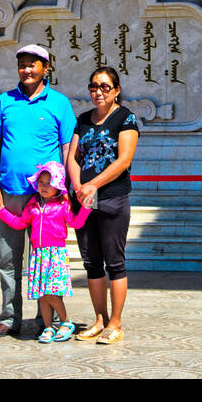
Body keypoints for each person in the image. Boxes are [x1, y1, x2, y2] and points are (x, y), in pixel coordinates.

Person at [0, 43, 76, 338]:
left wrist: (69, 188)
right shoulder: (4, 102)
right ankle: (10, 317)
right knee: (8, 259)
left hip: (46, 198)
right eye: (22, 64)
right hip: (9, 192)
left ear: (45, 69)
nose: (26, 69)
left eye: (32, 64)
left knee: (44, 260)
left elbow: (67, 147)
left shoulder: (59, 103)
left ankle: (44, 319)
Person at [67, 66, 139, 345]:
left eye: (105, 87)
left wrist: (94, 185)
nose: (98, 92)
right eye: (94, 86)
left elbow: (124, 161)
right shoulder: (83, 119)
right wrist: (78, 186)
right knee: (91, 263)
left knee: (115, 262)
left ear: (116, 90)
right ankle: (99, 319)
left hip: (112, 198)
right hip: (83, 201)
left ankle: (116, 323)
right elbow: (73, 157)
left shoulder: (125, 118)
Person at [0, 162, 92, 344]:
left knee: (51, 293)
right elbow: (19, 223)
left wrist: (86, 208)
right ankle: (48, 327)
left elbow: (75, 223)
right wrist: (2, 213)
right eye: (41, 182)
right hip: (38, 255)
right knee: (42, 294)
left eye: (49, 182)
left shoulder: (62, 205)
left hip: (55, 254)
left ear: (58, 186)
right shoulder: (32, 206)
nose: (44, 186)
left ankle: (65, 321)